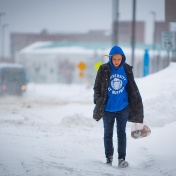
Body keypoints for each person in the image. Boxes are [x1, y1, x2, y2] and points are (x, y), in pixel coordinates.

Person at [93, 45, 144, 168]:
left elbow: (132, 88)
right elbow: (97, 87)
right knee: (108, 134)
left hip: (123, 108)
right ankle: (109, 158)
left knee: (121, 133)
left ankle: (121, 159)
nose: (116, 62)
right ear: (110, 58)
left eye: (119, 59)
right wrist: (98, 100)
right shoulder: (103, 69)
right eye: (114, 59)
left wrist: (136, 105)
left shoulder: (127, 69)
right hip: (107, 108)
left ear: (122, 58)